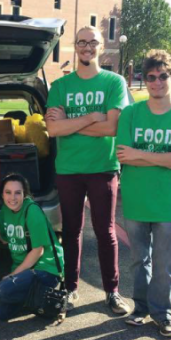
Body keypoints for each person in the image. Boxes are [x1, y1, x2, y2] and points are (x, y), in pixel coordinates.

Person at [45, 25, 130, 315]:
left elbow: (113, 127)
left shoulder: (114, 82)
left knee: (105, 231)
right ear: (75, 46)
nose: (86, 47)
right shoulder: (60, 86)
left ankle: (112, 292)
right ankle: (70, 289)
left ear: (101, 47)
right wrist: (93, 117)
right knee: (71, 231)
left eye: (92, 42)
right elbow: (53, 127)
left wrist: (73, 122)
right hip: (68, 169)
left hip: (103, 167)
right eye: (81, 42)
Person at [117, 50, 171, 338]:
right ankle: (141, 308)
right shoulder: (131, 113)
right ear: (144, 80)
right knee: (139, 261)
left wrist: (140, 153)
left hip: (169, 203)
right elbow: (123, 155)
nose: (157, 82)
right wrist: (158, 156)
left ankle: (162, 314)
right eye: (151, 77)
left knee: (165, 264)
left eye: (163, 76)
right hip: (136, 201)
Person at [0, 174, 65, 320]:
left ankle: (44, 294)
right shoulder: (5, 211)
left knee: (1, 289)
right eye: (8, 192)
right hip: (24, 269)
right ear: (2, 194)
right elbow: (4, 239)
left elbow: (38, 251)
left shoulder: (32, 211)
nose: (12, 197)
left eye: (18, 192)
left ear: (25, 194)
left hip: (45, 268)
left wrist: (13, 275)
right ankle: (34, 298)